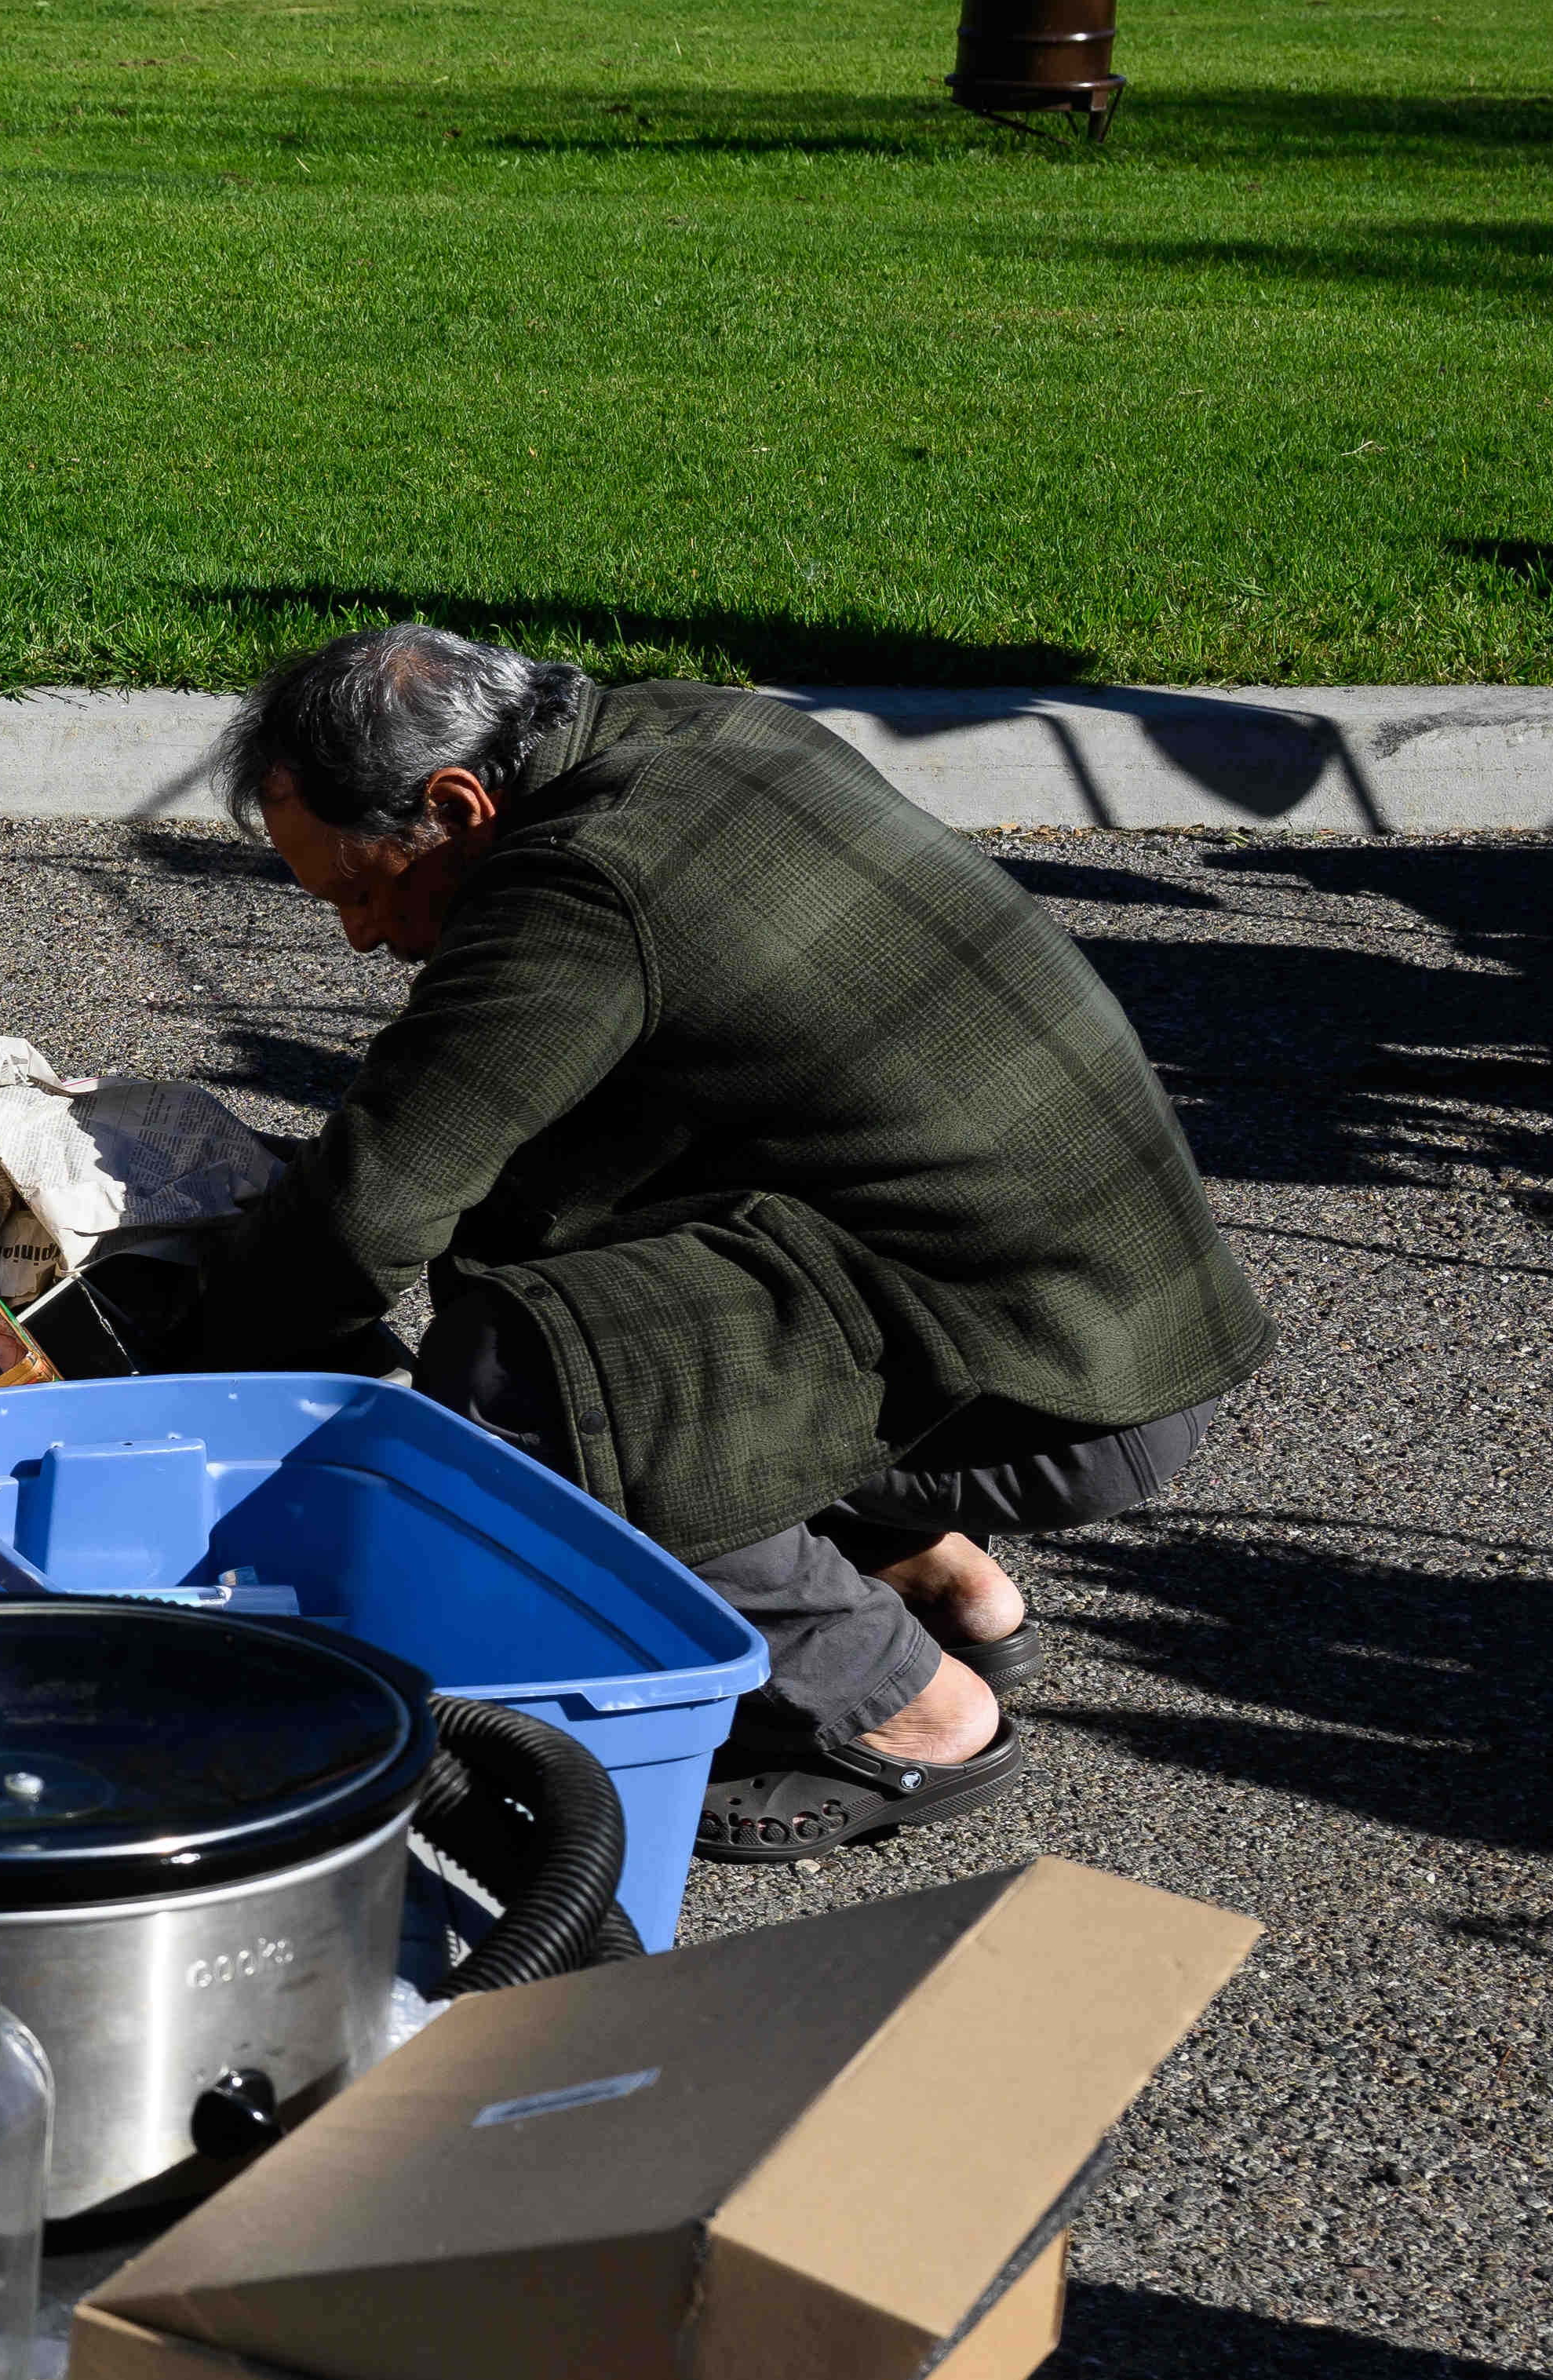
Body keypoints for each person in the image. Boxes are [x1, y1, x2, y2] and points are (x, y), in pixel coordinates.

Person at [173, 626, 1267, 1859]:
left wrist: (201, 1356)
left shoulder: (581, 884)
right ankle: (935, 1580)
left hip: (1048, 1395)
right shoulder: (699, 730)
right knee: (547, 1260)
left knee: (529, 1376)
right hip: (1120, 1321)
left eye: (358, 891)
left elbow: (371, 1211)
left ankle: (909, 1711)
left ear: (459, 804)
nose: (360, 938)